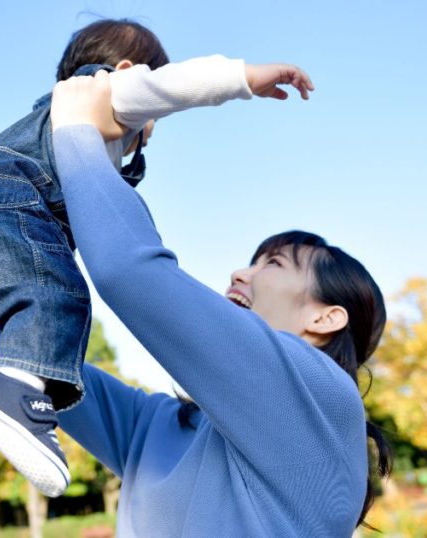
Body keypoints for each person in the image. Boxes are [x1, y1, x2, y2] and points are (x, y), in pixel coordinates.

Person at [0, 19, 314, 538]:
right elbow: (175, 85)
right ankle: (20, 394)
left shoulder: (41, 120)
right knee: (57, 294)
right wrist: (246, 78)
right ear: (127, 69)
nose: (152, 125)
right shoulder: (101, 94)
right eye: (153, 118)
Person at [48, 70, 392, 536]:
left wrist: (77, 130)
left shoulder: (322, 398)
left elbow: (128, 270)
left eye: (272, 264)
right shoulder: (161, 428)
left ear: (325, 317)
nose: (240, 272)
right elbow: (42, 360)